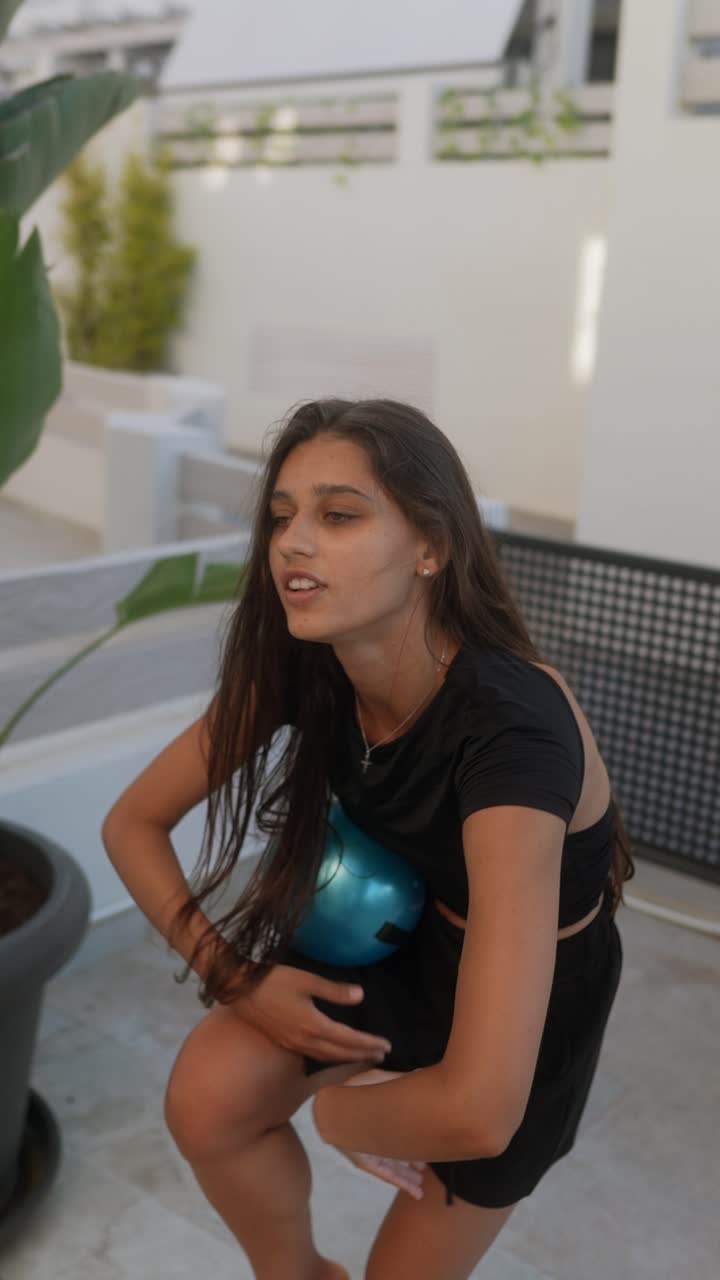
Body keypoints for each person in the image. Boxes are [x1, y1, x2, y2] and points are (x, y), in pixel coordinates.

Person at [102, 398, 633, 1280]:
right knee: (209, 1098)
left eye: (338, 516)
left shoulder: (513, 734)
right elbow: (133, 823)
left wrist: (341, 1113)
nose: (292, 543)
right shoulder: (308, 660)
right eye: (282, 517)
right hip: (404, 937)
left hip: (531, 1007)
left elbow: (477, 1110)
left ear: (431, 546)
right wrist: (235, 976)